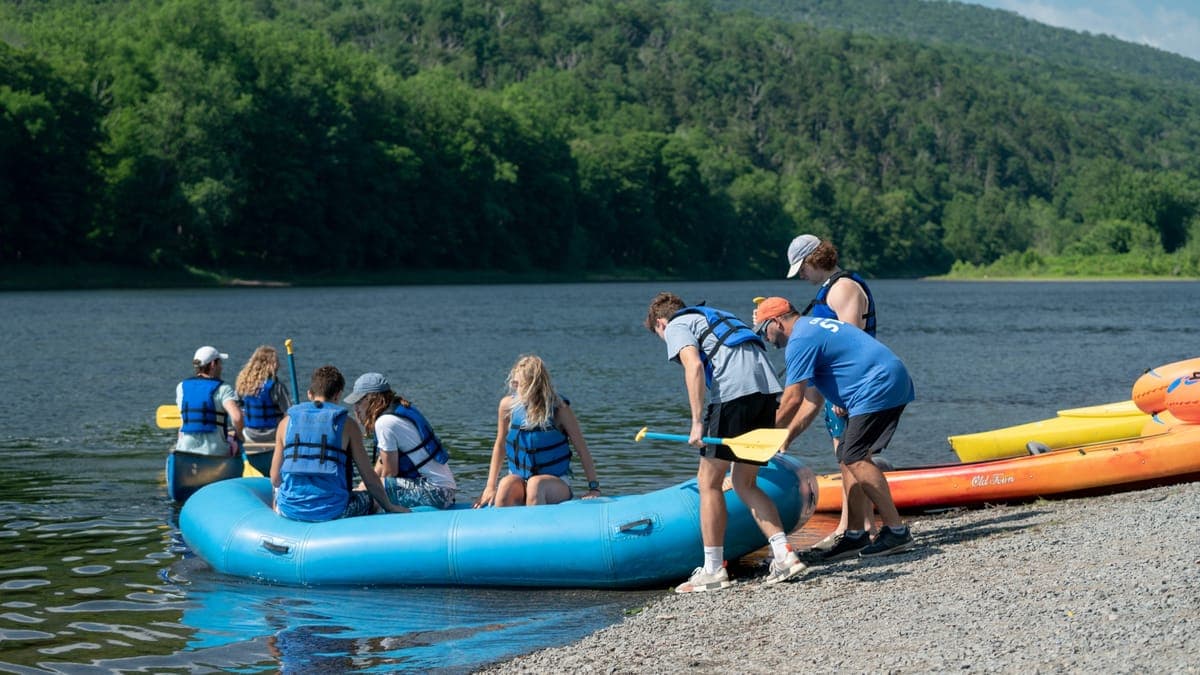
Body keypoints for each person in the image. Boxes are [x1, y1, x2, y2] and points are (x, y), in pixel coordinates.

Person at [645, 292, 806, 592]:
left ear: (661, 323)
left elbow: (694, 367)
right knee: (745, 483)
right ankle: (785, 554)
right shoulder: (712, 316)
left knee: (708, 482)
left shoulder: (676, 325)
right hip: (765, 396)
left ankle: (713, 569)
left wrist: (696, 422)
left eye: (659, 335)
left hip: (733, 396)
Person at [753, 297, 916, 559]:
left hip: (879, 386)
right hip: (884, 381)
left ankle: (896, 531)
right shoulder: (810, 328)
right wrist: (786, 436)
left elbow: (792, 399)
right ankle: (855, 534)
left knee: (854, 456)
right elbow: (811, 400)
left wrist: (763, 435)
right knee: (847, 456)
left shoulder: (800, 340)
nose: (766, 338)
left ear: (776, 322)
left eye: (764, 330)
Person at [784, 234, 883, 549]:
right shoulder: (830, 289)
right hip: (837, 386)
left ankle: (852, 528)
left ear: (814, 259)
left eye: (802, 268)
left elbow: (849, 342)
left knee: (851, 458)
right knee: (846, 457)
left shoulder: (842, 288)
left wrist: (844, 393)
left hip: (849, 386)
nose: (802, 275)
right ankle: (860, 526)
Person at [270, 365, 404, 522]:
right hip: (334, 511)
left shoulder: (285, 423)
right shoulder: (348, 425)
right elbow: (369, 478)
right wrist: (389, 507)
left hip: (289, 510)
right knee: (371, 500)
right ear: (338, 395)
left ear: (309, 394)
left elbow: (275, 478)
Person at [474, 355, 601, 508]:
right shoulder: (507, 406)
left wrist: (593, 488)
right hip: (520, 479)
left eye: (518, 384)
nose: (514, 387)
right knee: (505, 485)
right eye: (513, 383)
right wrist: (490, 486)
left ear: (533, 386)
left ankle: (536, 521)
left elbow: (582, 449)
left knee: (535, 484)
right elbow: (500, 445)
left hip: (554, 483)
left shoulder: (560, 409)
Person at [344, 372, 458, 510]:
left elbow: (389, 473)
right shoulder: (396, 411)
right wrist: (362, 485)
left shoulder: (384, 422)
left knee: (375, 491)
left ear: (372, 399)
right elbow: (381, 463)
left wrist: (369, 491)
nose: (355, 408)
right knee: (368, 486)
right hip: (444, 490)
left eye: (358, 402)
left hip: (437, 493)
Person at [175, 346, 244, 457]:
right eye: (220, 363)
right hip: (215, 452)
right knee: (233, 442)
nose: (221, 367)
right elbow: (237, 417)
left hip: (184, 449)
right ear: (213, 364)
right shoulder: (223, 388)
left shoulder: (181, 387)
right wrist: (240, 436)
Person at [235, 346, 293, 470]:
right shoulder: (276, 386)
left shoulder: (244, 383)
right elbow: (289, 413)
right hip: (273, 434)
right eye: (277, 362)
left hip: (249, 434)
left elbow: (236, 408)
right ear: (272, 364)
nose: (279, 365)